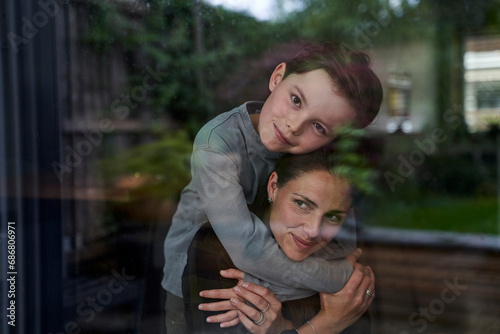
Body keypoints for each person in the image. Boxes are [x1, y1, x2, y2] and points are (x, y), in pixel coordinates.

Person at [162, 42, 382, 332]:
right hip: (204, 282)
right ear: (277, 77)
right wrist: (341, 277)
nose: (294, 126)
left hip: (269, 286)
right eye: (296, 100)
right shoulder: (217, 143)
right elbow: (249, 250)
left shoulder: (316, 157)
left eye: (319, 127)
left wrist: (259, 285)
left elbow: (339, 241)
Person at [183, 151, 375, 333]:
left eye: (332, 217)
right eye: (302, 204)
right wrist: (327, 324)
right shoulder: (220, 245)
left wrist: (283, 328)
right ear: (273, 187)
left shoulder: (338, 255)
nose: (313, 231)